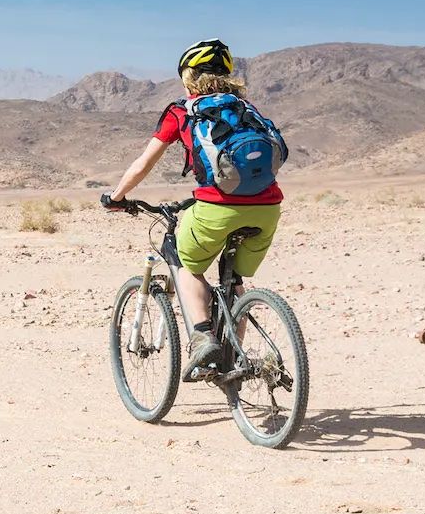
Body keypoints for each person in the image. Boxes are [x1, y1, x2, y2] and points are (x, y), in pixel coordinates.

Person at [101, 39, 288, 378]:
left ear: (188, 78)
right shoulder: (247, 109)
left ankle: (203, 340)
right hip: (268, 208)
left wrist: (116, 196)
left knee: (186, 264)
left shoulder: (182, 111)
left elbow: (144, 164)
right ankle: (234, 358)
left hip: (217, 208)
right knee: (235, 282)